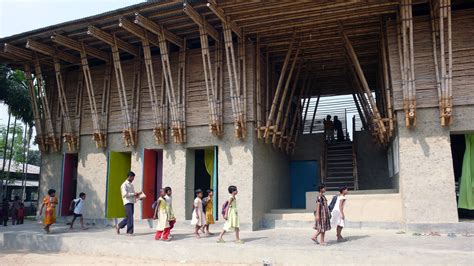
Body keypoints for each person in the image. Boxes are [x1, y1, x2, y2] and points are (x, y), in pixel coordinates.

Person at [115, 171, 142, 236]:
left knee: (129, 217)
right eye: (132, 178)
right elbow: (125, 194)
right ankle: (129, 232)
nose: (133, 179)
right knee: (130, 217)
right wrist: (134, 194)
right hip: (127, 202)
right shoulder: (124, 185)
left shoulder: (131, 185)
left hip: (131, 202)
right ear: (129, 177)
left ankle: (119, 225)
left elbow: (133, 194)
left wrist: (138, 196)